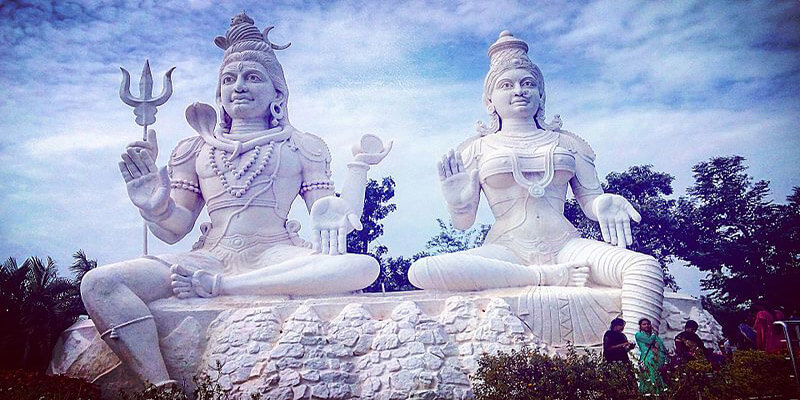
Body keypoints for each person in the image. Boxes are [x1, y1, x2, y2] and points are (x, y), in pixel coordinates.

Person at [80, 13, 391, 387]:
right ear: (219, 92)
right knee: (99, 284)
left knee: (361, 267)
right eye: (229, 79)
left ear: (278, 93)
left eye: (253, 77)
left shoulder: (302, 146)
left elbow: (334, 216)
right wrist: (155, 206)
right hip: (209, 256)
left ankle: (224, 288)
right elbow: (174, 230)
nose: (239, 86)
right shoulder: (195, 149)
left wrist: (358, 169)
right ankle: (160, 389)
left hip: (277, 255)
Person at [407, 30, 664, 338]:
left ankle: (640, 358)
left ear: (541, 94)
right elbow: (464, 224)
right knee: (423, 270)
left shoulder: (568, 143)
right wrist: (457, 204)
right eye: (507, 85)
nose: (519, 91)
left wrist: (603, 203)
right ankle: (542, 276)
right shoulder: (475, 150)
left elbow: (590, 201)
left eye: (528, 83)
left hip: (567, 246)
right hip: (506, 251)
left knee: (644, 268)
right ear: (489, 101)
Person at [635, 318, 667, 394]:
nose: (647, 325)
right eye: (644, 324)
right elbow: (649, 341)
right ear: (640, 326)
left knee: (658, 377)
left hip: (657, 359)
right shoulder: (638, 335)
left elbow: (661, 347)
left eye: (648, 324)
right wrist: (654, 334)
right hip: (647, 359)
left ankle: (658, 395)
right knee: (649, 378)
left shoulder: (653, 336)